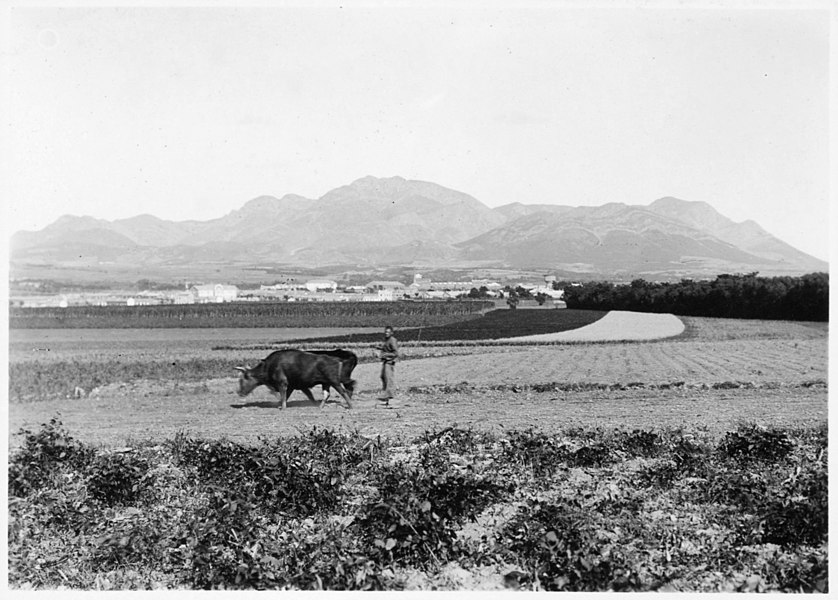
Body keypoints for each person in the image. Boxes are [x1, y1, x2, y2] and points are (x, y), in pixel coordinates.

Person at [378, 325, 399, 405]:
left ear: (391, 333)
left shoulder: (392, 340)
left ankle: (390, 396)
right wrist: (379, 348)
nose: (386, 333)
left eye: (388, 332)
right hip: (385, 361)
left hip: (390, 362)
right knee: (383, 377)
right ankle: (386, 394)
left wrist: (384, 355)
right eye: (385, 332)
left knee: (388, 378)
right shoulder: (387, 340)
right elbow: (386, 348)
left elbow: (395, 353)